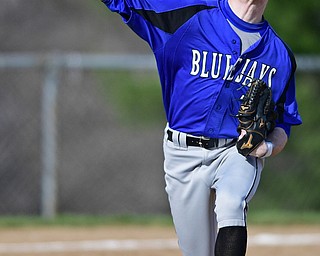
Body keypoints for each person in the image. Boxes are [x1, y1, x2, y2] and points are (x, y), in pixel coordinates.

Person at [101, 0, 302, 255]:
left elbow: (284, 123)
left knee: (232, 204)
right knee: (196, 251)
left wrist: (268, 146)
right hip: (182, 154)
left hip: (235, 152)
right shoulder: (187, 15)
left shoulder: (279, 55)